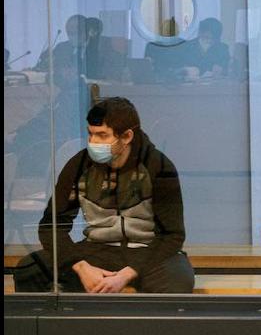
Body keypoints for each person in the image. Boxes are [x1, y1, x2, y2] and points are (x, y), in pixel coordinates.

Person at [14, 97, 194, 294]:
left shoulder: (158, 166)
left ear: (126, 136)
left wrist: (128, 274)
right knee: (30, 269)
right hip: (96, 249)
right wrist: (81, 266)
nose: (93, 142)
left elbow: (173, 235)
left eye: (102, 135)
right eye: (91, 134)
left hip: (147, 251)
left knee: (178, 279)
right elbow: (51, 226)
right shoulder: (79, 165)